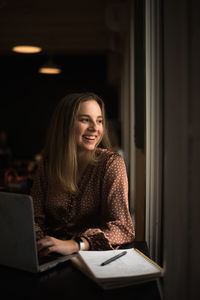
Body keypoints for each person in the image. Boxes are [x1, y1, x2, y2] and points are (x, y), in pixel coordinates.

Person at [30, 92, 135, 257]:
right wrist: (40, 244)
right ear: (65, 124)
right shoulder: (48, 163)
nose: (95, 128)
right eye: (85, 120)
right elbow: (33, 216)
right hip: (49, 255)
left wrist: (76, 244)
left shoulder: (111, 164)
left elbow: (123, 228)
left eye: (99, 121)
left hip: (91, 257)